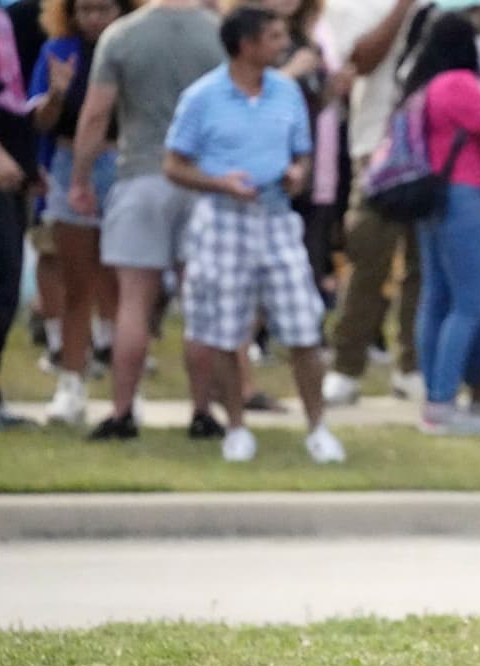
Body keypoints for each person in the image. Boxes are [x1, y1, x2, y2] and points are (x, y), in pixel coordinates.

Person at [164, 4, 345, 463]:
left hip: (277, 216)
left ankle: (318, 427)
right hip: (222, 218)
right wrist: (218, 182)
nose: (284, 44)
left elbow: (300, 155)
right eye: (274, 37)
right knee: (225, 330)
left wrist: (296, 174)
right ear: (246, 45)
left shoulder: (286, 94)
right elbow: (174, 164)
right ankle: (237, 427)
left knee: (304, 327)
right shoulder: (202, 97)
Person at [69, 0, 226, 440]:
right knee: (200, 304)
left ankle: (122, 412)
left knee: (133, 302)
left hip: (140, 173)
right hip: (203, 180)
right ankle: (203, 410)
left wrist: (81, 178)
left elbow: (97, 113)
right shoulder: (219, 33)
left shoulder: (122, 35)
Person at [402, 11, 480, 434]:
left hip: (433, 197)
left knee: (436, 298)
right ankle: (444, 402)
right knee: (471, 301)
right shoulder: (460, 83)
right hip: (467, 194)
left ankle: (434, 396)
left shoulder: (426, 86)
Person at [320, 0, 427, 407]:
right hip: (377, 149)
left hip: (432, 152)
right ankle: (346, 367)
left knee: (423, 266)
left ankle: (411, 367)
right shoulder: (351, 6)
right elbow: (363, 59)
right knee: (368, 260)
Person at [32, 0, 133, 425]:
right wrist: (56, 92)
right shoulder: (58, 50)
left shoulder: (130, 46)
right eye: (85, 9)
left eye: (104, 8)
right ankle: (71, 385)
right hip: (68, 161)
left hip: (124, 163)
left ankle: (125, 393)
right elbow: (39, 121)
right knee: (78, 284)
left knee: (122, 285)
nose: (95, 18)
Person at [0, 3, 34, 431]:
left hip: (9, 171)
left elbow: (10, 96)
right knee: (1, 283)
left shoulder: (8, 16)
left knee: (5, 288)